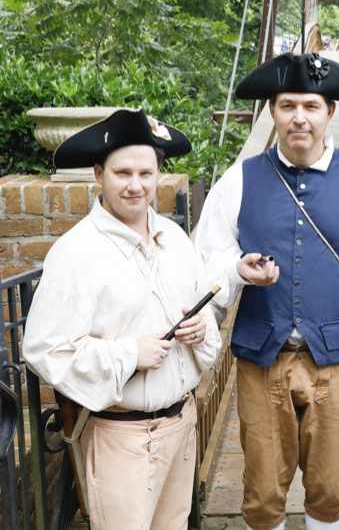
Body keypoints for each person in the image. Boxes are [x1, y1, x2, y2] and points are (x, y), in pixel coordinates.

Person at [194, 52, 339, 530]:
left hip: (337, 360)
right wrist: (237, 270)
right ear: (272, 111)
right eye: (288, 105)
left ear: (331, 112)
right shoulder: (238, 180)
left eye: (311, 106)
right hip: (262, 357)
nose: (299, 117)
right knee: (262, 492)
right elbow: (205, 262)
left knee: (328, 488)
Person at [23, 108, 222, 530]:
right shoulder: (75, 254)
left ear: (158, 174)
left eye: (146, 173)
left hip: (182, 426)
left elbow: (203, 313)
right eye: (122, 173)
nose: (136, 186)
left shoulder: (176, 240)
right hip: (121, 439)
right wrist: (128, 355)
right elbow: (43, 350)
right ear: (99, 174)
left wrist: (201, 329)